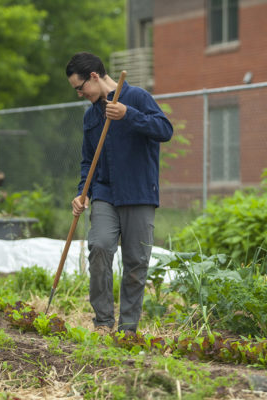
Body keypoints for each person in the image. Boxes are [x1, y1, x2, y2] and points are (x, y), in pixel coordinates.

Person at [66, 52, 173, 337]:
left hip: (139, 192)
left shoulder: (137, 97)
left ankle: (128, 329)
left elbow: (165, 130)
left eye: (80, 88)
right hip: (105, 193)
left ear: (93, 76)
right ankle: (103, 322)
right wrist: (82, 194)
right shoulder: (91, 115)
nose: (79, 94)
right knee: (99, 247)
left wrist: (129, 115)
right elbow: (88, 160)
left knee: (136, 261)